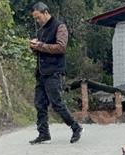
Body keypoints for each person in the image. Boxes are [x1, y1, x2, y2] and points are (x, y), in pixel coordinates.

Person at [28, 3, 82, 145]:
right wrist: (34, 47)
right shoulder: (41, 31)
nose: (37, 21)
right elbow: (41, 51)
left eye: (38, 17)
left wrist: (39, 45)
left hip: (54, 72)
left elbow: (61, 47)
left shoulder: (60, 27)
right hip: (41, 73)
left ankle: (76, 127)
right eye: (35, 18)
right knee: (39, 104)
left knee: (57, 103)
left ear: (45, 13)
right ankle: (43, 134)